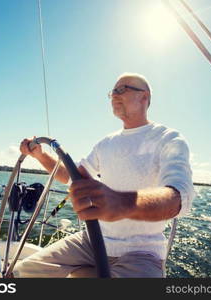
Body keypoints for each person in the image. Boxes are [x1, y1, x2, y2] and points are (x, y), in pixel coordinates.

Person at [15, 72, 195, 278]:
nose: (114, 95)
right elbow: (71, 176)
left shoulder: (168, 138)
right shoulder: (106, 143)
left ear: (144, 97)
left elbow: (178, 197)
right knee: (25, 272)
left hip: (141, 253)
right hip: (93, 240)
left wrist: (123, 203)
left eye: (122, 89)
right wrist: (40, 155)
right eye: (112, 92)